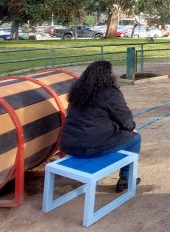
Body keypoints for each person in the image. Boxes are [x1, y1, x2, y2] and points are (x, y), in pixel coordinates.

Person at [60, 60, 141, 192]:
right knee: (135, 138)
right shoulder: (110, 92)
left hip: (69, 145)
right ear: (108, 75)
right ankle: (126, 178)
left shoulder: (77, 91)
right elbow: (126, 121)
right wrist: (132, 128)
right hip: (92, 147)